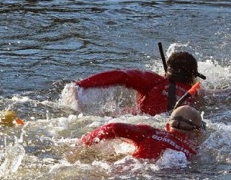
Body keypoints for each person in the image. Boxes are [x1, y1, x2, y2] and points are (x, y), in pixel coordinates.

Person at [74, 51, 204, 116]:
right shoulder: (194, 93)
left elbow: (121, 76)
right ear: (194, 76)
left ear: (167, 71)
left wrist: (82, 84)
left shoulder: (155, 81)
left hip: (141, 121)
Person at [80, 105, 206, 161]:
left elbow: (113, 127)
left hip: (131, 169)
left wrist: (84, 142)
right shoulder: (192, 151)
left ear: (167, 126)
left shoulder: (150, 132)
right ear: (197, 133)